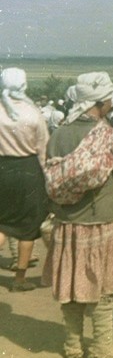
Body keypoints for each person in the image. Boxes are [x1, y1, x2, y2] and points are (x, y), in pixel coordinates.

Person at [42, 71, 113, 358]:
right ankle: (101, 348)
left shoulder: (58, 133)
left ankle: (72, 344)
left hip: (67, 224)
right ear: (100, 102)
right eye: (108, 97)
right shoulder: (108, 135)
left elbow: (49, 174)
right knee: (104, 287)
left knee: (72, 287)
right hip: (102, 220)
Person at [0, 67, 49, 292]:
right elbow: (43, 149)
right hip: (28, 170)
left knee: (2, 223)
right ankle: (19, 280)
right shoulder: (33, 113)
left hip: (2, 169)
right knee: (28, 228)